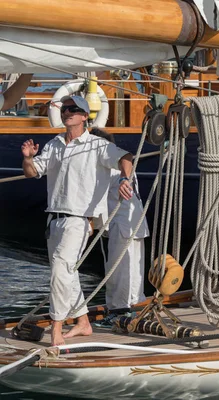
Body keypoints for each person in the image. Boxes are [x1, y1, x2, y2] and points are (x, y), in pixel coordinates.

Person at [21, 95, 134, 346]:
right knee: (66, 273)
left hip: (79, 220)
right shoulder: (54, 144)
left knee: (61, 269)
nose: (67, 112)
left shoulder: (97, 145)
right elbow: (32, 173)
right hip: (54, 220)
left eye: (73, 109)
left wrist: (125, 179)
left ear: (85, 116)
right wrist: (28, 158)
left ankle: (56, 329)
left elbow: (126, 157)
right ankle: (83, 323)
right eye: (64, 109)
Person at [90, 129, 149, 328]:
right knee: (130, 272)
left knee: (120, 272)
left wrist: (91, 224)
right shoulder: (119, 166)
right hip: (131, 224)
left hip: (123, 225)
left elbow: (97, 197)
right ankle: (129, 312)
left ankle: (119, 314)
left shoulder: (110, 166)